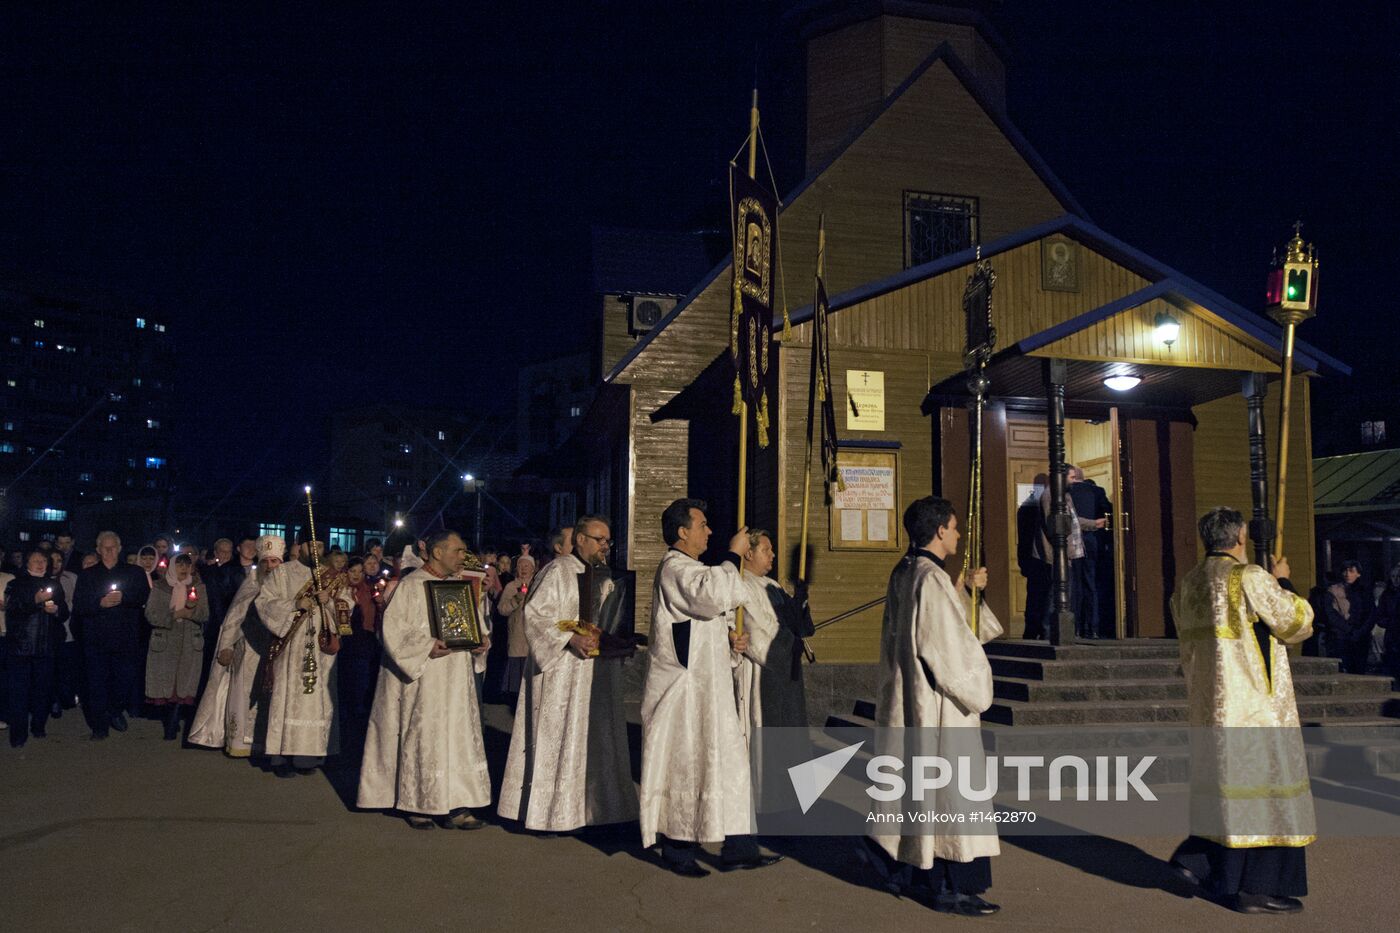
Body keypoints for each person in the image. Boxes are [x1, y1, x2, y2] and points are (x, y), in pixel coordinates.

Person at [1168, 506, 1315, 914]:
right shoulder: (1246, 577)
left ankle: (1203, 864)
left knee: (1226, 794)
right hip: (1252, 706)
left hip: (1210, 707)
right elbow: (1295, 622)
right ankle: (1255, 888)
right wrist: (1282, 580)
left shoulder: (1190, 583)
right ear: (1241, 537)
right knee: (1265, 796)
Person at [865, 496, 1003, 917]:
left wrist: (964, 590)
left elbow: (929, 626)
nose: (959, 534)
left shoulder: (907, 571)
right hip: (939, 706)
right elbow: (946, 647)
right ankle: (950, 885)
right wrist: (977, 690)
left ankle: (913, 871)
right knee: (950, 797)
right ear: (940, 530)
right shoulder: (931, 578)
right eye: (955, 527)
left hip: (909, 700)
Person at [640, 498, 781, 876]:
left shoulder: (694, 569)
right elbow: (711, 596)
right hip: (685, 692)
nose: (710, 531)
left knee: (729, 766)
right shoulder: (674, 567)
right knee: (688, 764)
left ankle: (739, 845)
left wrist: (728, 644)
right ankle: (679, 846)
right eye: (702, 525)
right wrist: (733, 555)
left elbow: (708, 617)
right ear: (683, 532)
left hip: (712, 688)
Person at [498, 515, 638, 833]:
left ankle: (601, 811)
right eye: (598, 539)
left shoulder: (607, 577)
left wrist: (620, 641)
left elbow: (613, 619)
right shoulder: (557, 571)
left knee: (600, 740)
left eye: (608, 540)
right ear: (579, 539)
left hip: (598, 675)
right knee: (562, 740)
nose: (605, 545)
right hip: (564, 674)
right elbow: (537, 615)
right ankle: (556, 813)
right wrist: (572, 636)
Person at [358, 530, 493, 829]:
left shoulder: (459, 587)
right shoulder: (410, 586)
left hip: (457, 679)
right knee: (425, 736)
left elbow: (474, 626)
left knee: (457, 739)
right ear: (437, 552)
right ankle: (420, 803)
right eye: (458, 550)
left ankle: (458, 803)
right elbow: (392, 632)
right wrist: (426, 646)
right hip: (425, 679)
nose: (463, 557)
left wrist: (482, 641)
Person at [254, 533, 353, 776]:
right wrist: (294, 605)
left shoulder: (333, 576)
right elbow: (264, 602)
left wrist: (329, 601)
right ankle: (281, 757)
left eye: (320, 545)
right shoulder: (283, 572)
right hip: (291, 646)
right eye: (312, 545)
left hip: (320, 647)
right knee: (287, 698)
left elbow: (347, 607)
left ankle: (308, 756)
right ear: (301, 546)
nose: (316, 550)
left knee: (315, 701)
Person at [190, 535, 283, 757]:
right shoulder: (252, 581)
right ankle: (241, 742)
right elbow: (234, 616)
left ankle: (267, 742)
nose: (270, 567)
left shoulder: (287, 584)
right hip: (248, 647)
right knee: (245, 694)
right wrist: (226, 646)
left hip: (276, 648)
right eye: (265, 562)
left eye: (275, 562)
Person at [732, 529, 810, 737]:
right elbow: (755, 632)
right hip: (764, 671)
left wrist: (800, 600)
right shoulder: (742, 585)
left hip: (788, 671)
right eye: (766, 550)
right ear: (749, 554)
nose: (772, 555)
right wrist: (788, 645)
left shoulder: (774, 586)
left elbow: (797, 625)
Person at [73, 531, 150, 740]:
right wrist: (99, 603)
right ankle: (99, 726)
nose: (109, 551)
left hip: (125, 638)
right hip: (96, 640)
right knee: (96, 684)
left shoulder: (134, 573)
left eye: (113, 547)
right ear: (98, 550)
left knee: (123, 681)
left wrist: (124, 597)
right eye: (104, 547)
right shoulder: (87, 575)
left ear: (120, 548)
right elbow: (79, 605)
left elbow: (143, 596)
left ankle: (114, 710)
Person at [3, 550, 69, 746]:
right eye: (36, 560)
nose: (41, 564)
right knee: (19, 693)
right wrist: (35, 601)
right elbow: (12, 608)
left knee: (43, 690)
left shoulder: (54, 584)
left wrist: (56, 610)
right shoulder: (16, 584)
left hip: (46, 647)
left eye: (43, 561)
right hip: (21, 647)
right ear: (27, 563)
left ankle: (39, 726)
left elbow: (64, 612)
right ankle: (18, 734)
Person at [144, 554, 211, 740]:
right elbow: (151, 614)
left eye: (187, 565)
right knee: (167, 685)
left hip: (189, 642)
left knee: (184, 685)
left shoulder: (198, 586)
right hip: (166, 642)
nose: (183, 568)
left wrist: (189, 613)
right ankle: (169, 719)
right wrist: (173, 615)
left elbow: (205, 613)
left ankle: (172, 723)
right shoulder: (160, 586)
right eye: (179, 564)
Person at [339, 554, 381, 749]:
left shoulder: (369, 589)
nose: (356, 575)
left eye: (360, 571)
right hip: (345, 642)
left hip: (365, 639)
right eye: (352, 571)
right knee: (346, 681)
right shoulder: (340, 589)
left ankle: (358, 720)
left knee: (362, 683)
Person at [1067, 466, 1111, 638]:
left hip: (1073, 541)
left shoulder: (1068, 493)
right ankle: (1093, 628)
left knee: (1075, 584)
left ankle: (1075, 627)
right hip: (1092, 541)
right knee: (1090, 583)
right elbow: (1108, 512)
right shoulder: (1097, 491)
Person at [494, 553, 537, 705]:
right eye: (520, 565)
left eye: (527, 566)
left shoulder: (538, 585)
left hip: (534, 639)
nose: (524, 569)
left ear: (533, 569)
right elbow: (502, 609)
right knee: (517, 683)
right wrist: (517, 598)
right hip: (518, 637)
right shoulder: (511, 587)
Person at [47, 550, 81, 716]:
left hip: (68, 631)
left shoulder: (71, 578)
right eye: (52, 560)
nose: (55, 564)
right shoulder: (40, 580)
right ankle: (53, 700)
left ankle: (66, 697)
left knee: (66, 668)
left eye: (59, 560)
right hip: (47, 634)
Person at [1326, 560, 1373, 674]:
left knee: (1360, 668)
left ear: (1358, 573)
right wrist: (1349, 630)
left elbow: (1371, 614)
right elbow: (1332, 614)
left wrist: (1361, 631)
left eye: (1351, 571)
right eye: (1345, 571)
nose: (1347, 574)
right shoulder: (1334, 591)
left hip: (1361, 636)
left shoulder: (1365, 591)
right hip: (1342, 636)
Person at [1016, 476, 1049, 639]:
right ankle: (1038, 628)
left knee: (1034, 594)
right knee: (1040, 595)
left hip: (1029, 555)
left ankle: (1032, 628)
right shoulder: (1037, 506)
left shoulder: (1025, 506)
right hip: (1038, 555)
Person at [1375, 562, 1400, 681]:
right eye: (1393, 576)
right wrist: (1391, 622)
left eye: (1398, 576)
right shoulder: (1387, 595)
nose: (1396, 579)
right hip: (1393, 636)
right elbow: (1380, 616)